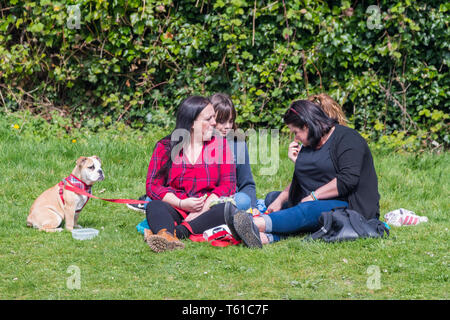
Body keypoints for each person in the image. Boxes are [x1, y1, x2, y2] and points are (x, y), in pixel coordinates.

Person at [225, 98, 380, 248]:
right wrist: (280, 199)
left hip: (350, 206)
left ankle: (256, 225)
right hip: (318, 199)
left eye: (296, 132)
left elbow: (347, 180)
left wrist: (314, 196)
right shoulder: (312, 141)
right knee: (273, 198)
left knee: (308, 209)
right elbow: (302, 178)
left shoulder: (348, 139)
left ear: (307, 125)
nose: (295, 137)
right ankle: (266, 237)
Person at [128, 93, 257, 212]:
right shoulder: (185, 142)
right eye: (221, 121)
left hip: (220, 198)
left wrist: (253, 207)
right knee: (159, 200)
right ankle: (150, 202)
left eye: (231, 121)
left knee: (242, 201)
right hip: (188, 197)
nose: (228, 126)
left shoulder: (237, 145)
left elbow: (245, 183)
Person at [143, 96, 236, 252]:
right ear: (192, 123)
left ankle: (176, 234)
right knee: (154, 206)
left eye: (214, 117)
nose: (214, 122)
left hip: (207, 209)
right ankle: (165, 234)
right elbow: (153, 186)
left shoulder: (220, 145)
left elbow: (229, 185)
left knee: (226, 209)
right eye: (209, 118)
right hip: (176, 205)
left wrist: (203, 209)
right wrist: (181, 203)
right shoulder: (165, 146)